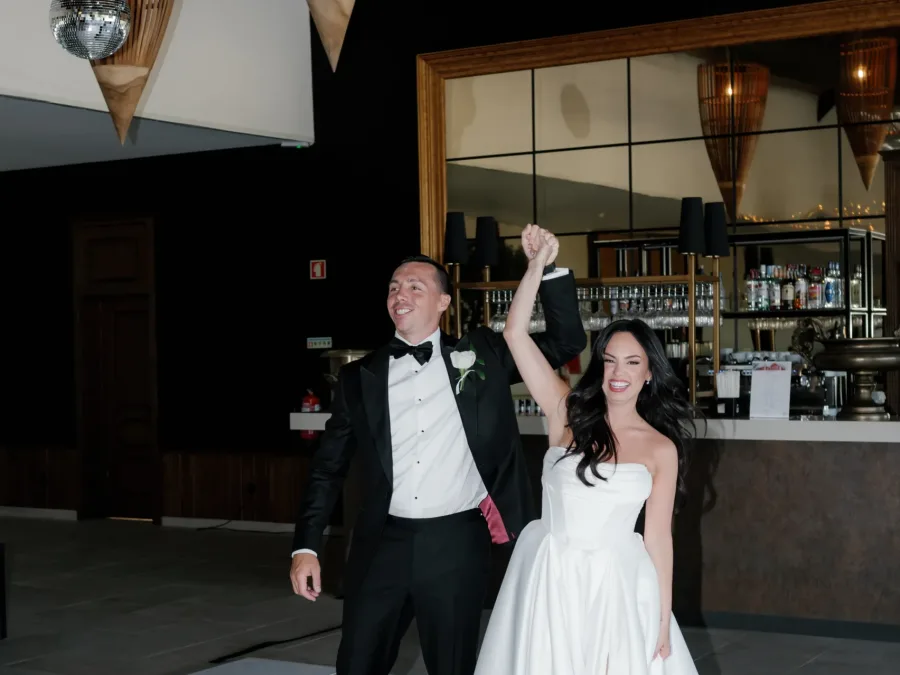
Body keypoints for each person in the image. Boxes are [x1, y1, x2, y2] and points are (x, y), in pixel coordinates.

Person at [289, 225, 586, 675]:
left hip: (455, 544)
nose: (399, 294)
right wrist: (305, 547)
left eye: (414, 285)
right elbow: (327, 468)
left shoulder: (482, 354)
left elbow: (565, 343)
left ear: (444, 303)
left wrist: (544, 268)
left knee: (451, 665)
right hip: (381, 544)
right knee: (356, 664)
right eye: (393, 287)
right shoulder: (359, 378)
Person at [474, 228, 699, 674]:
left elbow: (658, 538)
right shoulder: (566, 412)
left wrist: (661, 615)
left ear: (649, 373)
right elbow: (516, 333)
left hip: (618, 584)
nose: (619, 372)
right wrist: (537, 266)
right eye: (611, 360)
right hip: (550, 575)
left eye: (633, 362)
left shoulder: (660, 449)